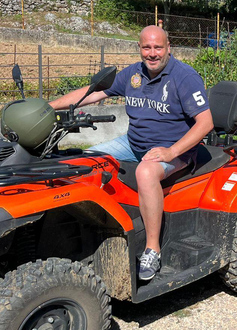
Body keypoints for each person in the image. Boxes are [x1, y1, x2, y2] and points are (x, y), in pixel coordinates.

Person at [49, 25, 213, 281]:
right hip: (133, 142)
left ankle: (152, 248)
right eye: (147, 47)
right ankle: (93, 229)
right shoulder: (133, 74)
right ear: (139, 49)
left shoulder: (184, 77)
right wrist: (48, 107)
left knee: (146, 172)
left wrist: (171, 152)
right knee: (85, 161)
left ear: (169, 48)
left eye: (158, 47)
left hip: (175, 148)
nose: (152, 53)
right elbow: (93, 93)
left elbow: (205, 123)